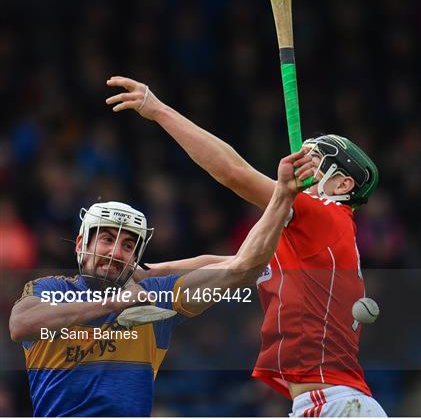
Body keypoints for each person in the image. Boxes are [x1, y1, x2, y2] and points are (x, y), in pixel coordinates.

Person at [105, 75, 387, 418]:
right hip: (331, 403)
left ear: (343, 183)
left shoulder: (327, 215)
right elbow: (232, 263)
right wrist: (149, 271)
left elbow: (233, 172)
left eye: (317, 162)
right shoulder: (312, 240)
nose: (305, 166)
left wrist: (159, 110)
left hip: (334, 405)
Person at [9, 148, 314, 417]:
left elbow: (240, 266)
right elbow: (21, 324)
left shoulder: (155, 296)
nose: (116, 253)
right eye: (106, 240)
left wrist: (282, 197)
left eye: (128, 246)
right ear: (80, 245)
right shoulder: (51, 289)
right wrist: (115, 303)